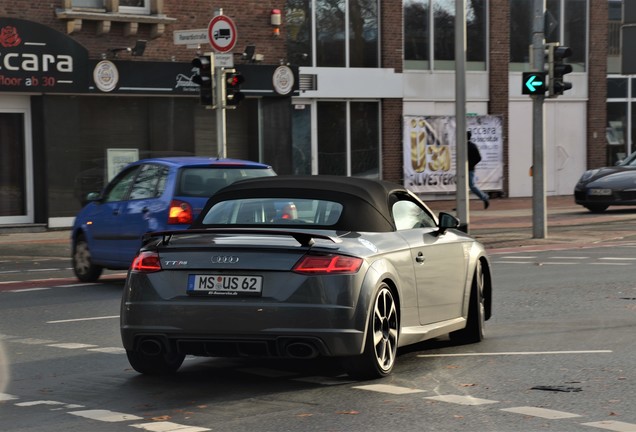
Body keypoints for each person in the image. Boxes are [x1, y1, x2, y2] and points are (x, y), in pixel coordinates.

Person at [467, 131, 490, 209]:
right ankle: (461, 205)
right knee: (462, 187)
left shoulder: (472, 146)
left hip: (469, 170)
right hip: (463, 169)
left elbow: (478, 158)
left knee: (472, 186)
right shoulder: (464, 146)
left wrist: (470, 164)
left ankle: (484, 197)